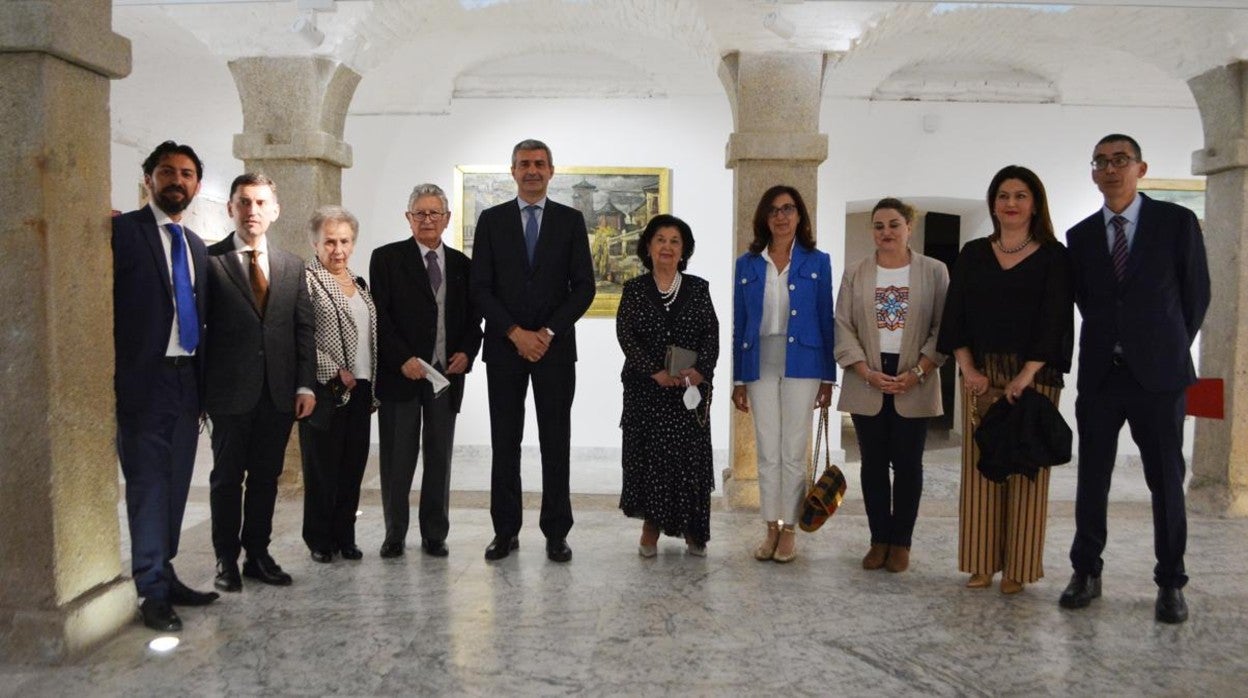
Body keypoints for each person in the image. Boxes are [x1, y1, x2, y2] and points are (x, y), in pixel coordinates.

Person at [1060, 134, 1211, 624]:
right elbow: (1088, 301)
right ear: (1093, 172)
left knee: (1166, 481)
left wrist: (1163, 345)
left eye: (1119, 160)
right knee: (1092, 479)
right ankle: (1086, 571)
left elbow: (1196, 296)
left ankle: (1170, 582)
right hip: (1103, 376)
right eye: (1100, 161)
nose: (1110, 168)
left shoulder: (1176, 223)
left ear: (1140, 168)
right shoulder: (1080, 237)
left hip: (1160, 378)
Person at [937, 165, 1073, 595]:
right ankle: (981, 563)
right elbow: (954, 315)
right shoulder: (974, 253)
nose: (1010, 203)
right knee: (981, 471)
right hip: (980, 375)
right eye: (1002, 196)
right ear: (993, 203)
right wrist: (968, 369)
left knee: (1027, 471)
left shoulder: (1054, 255)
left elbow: (1056, 320)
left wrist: (1028, 374)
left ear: (1035, 204)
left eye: (1020, 196)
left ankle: (1018, 567)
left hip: (1035, 377)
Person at [470, 138, 596, 563]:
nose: (532, 171)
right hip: (504, 351)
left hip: (554, 351)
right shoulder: (491, 220)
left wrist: (545, 332)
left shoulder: (571, 221)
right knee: (505, 442)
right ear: (512, 172)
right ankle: (505, 531)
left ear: (551, 171)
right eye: (524, 164)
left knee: (555, 442)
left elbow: (584, 288)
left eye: (539, 164)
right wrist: (513, 332)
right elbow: (480, 287)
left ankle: (556, 531)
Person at [112, 140, 218, 632]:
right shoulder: (121, 233)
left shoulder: (195, 245)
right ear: (149, 178)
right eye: (167, 172)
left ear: (196, 183)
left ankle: (166, 570)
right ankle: (150, 588)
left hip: (185, 382)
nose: (178, 181)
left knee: (176, 484)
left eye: (188, 174)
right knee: (148, 487)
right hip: (144, 381)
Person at [205, 173, 317, 592]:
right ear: (231, 208)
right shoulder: (210, 261)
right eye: (244, 202)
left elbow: (303, 329)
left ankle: (258, 554)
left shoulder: (291, 265)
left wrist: (304, 386)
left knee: (267, 477)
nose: (252, 210)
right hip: (229, 393)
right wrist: (201, 395)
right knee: (227, 478)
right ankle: (225, 559)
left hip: (277, 393)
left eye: (260, 203)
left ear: (275, 210)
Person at [834, 198, 949, 573]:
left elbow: (943, 328)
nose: (886, 232)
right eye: (879, 225)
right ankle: (878, 539)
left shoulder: (934, 271)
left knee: (908, 464)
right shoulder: (857, 272)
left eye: (894, 224)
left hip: (914, 376)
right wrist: (865, 371)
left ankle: (901, 543)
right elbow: (843, 323)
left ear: (909, 227)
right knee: (872, 465)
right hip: (868, 376)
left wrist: (918, 371)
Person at [370, 184, 482, 559]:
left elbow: (473, 320)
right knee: (397, 459)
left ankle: (435, 533)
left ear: (447, 219)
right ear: (408, 218)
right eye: (420, 213)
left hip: (445, 377)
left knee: (439, 458)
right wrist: (402, 358)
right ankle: (394, 533)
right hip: (401, 375)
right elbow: (379, 317)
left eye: (435, 213)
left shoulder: (464, 266)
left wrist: (467, 351)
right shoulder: (385, 259)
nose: (427, 220)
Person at [732, 185, 836, 564]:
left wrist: (828, 376)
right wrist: (738, 379)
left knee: (793, 450)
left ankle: (790, 527)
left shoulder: (818, 261)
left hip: (804, 364)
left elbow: (827, 318)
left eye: (788, 209)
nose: (781, 216)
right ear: (765, 217)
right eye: (774, 210)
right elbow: (740, 322)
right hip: (759, 362)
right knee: (767, 449)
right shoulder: (747, 263)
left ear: (799, 216)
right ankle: (770, 527)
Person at [616, 214, 719, 557]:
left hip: (688, 395)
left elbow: (711, 335)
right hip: (648, 392)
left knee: (689, 462)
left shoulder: (699, 288)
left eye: (675, 241)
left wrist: (700, 372)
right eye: (661, 239)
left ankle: (694, 530)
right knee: (650, 461)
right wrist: (654, 372)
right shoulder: (634, 290)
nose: (667, 246)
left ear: (684, 249)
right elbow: (626, 336)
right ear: (648, 246)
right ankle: (651, 528)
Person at [298, 205, 378, 563]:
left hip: (361, 390)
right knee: (322, 469)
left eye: (344, 241)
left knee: (351, 468)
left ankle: (346, 535)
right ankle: (319, 539)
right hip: (326, 391)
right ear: (315, 243)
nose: (338, 249)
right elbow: (299, 337)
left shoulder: (359, 284)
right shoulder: (307, 281)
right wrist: (332, 369)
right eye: (329, 242)